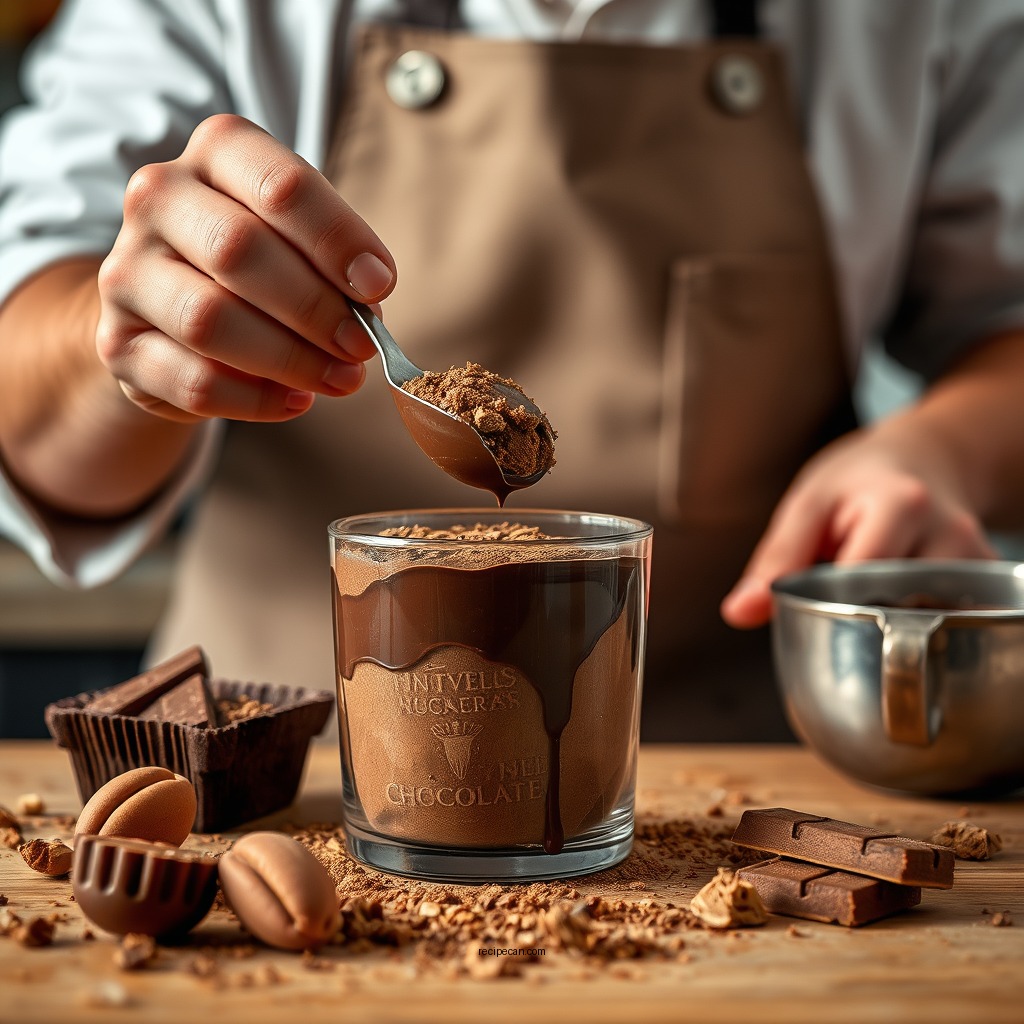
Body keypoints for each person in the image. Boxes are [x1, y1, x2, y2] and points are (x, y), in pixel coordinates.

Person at [1, 0, 1022, 741]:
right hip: (290, 765)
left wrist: (941, 447)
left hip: (722, 775)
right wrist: (129, 340)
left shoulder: (917, 20)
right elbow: (29, 414)